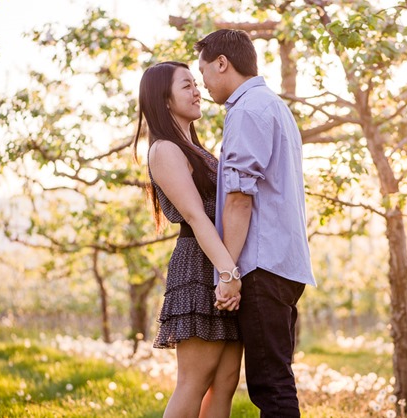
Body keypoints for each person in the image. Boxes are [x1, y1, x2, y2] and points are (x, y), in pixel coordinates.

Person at [195, 30, 317, 417]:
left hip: (262, 265)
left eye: (203, 73)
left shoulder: (247, 110)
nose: (204, 85)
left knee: (271, 386)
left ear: (221, 63)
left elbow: (239, 198)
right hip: (284, 263)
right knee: (275, 379)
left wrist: (227, 271)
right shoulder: (274, 106)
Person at [132, 61, 243, 418]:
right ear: (164, 100)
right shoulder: (165, 150)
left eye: (195, 84)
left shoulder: (194, 147)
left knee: (225, 383)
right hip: (200, 266)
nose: (197, 91)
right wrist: (228, 272)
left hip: (222, 263)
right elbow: (196, 217)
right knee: (194, 382)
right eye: (187, 86)